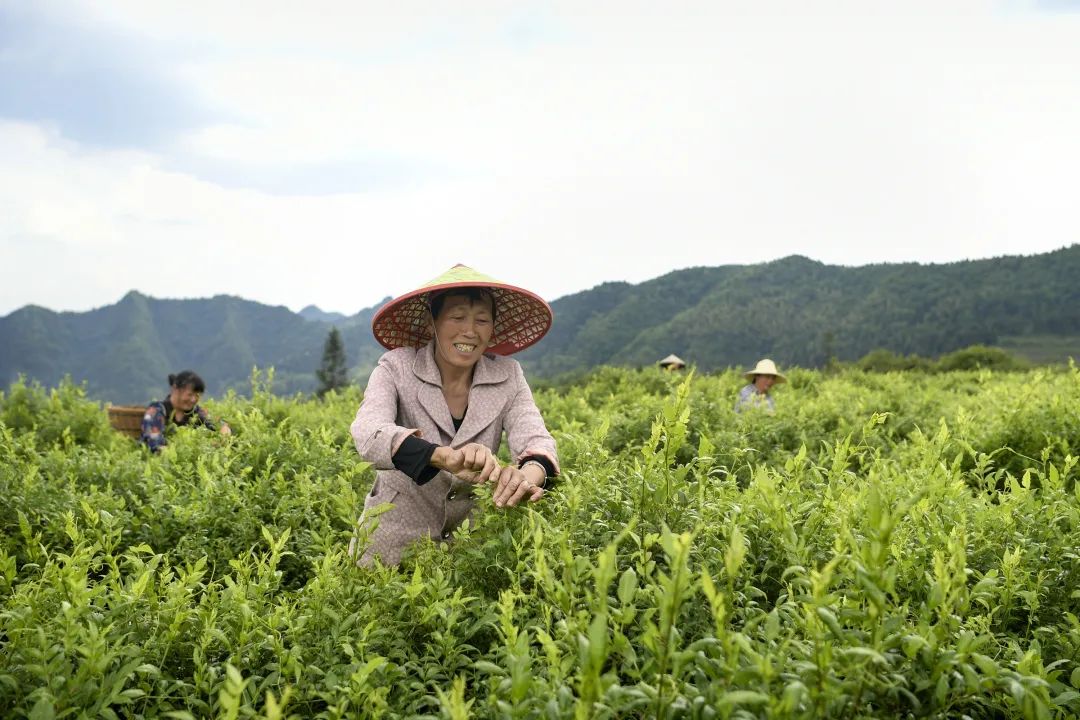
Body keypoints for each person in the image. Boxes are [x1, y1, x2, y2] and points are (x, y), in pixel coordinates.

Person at [350, 264, 559, 566]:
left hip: (468, 553)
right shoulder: (396, 367)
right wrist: (442, 457)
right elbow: (368, 431)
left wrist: (525, 477)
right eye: (457, 317)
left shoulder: (508, 375)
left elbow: (537, 439)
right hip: (388, 547)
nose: (470, 331)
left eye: (482, 320)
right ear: (431, 322)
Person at [141, 370, 232, 452]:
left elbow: (219, 424)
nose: (193, 400)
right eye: (190, 394)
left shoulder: (195, 412)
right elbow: (154, 445)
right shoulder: (157, 410)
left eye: (197, 395)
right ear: (175, 389)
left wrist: (224, 434)